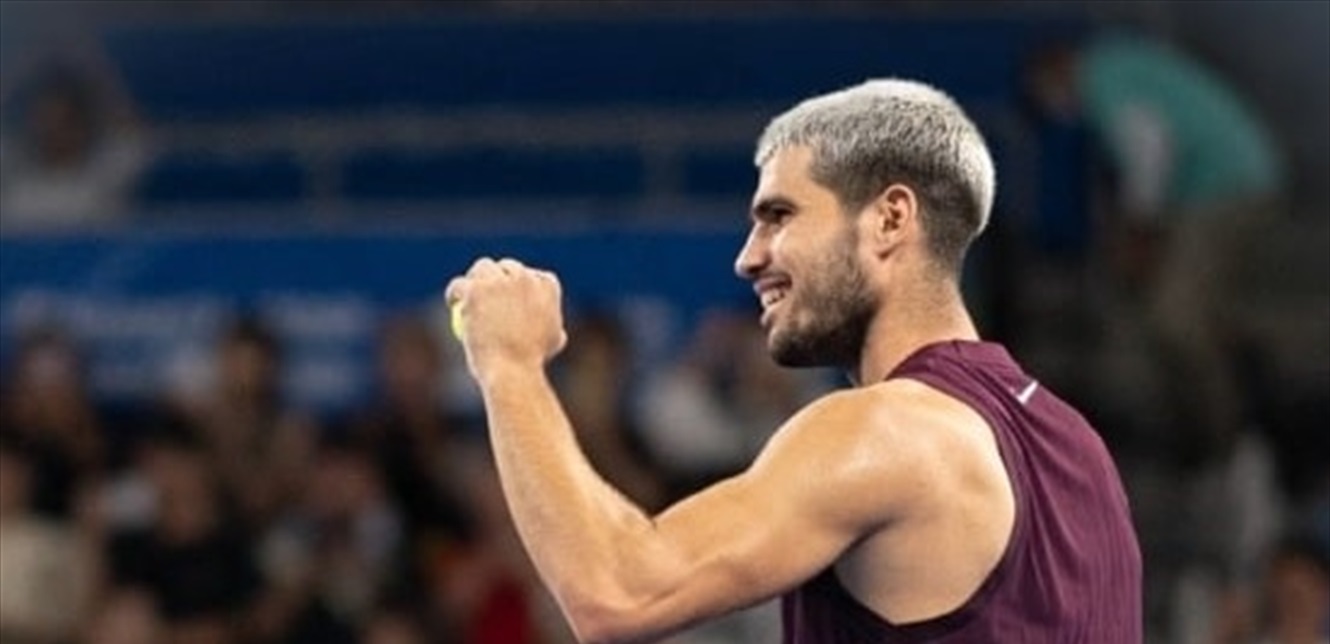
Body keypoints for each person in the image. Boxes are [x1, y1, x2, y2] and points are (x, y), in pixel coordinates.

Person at [445, 78, 1142, 642]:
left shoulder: (884, 431)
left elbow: (617, 592)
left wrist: (509, 365)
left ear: (890, 219)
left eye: (779, 216)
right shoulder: (1079, 448)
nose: (748, 258)